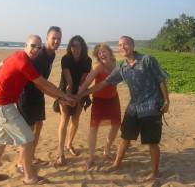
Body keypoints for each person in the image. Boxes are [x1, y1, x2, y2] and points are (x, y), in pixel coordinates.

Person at [78, 36, 170, 182]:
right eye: (120, 45)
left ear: (133, 46)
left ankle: (155, 171)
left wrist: (166, 100)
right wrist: (81, 94)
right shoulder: (122, 67)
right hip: (134, 107)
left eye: (126, 44)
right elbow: (103, 84)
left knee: (152, 141)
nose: (123, 47)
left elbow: (160, 78)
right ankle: (116, 163)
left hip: (152, 106)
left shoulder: (147, 59)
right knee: (125, 137)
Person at [0, 35, 75, 185]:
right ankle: (29, 176)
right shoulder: (23, 61)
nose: (35, 49)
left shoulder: (16, 55)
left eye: (38, 47)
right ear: (25, 45)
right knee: (27, 139)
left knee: (1, 140)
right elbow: (44, 84)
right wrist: (64, 95)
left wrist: (60, 98)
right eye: (33, 46)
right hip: (3, 105)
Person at [16, 26, 62, 170]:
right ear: (47, 38)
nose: (56, 41)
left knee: (39, 125)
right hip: (26, 94)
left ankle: (31, 156)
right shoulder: (40, 56)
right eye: (53, 38)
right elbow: (41, 84)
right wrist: (59, 96)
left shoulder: (51, 55)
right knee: (28, 130)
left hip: (38, 95)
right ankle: (20, 162)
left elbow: (43, 84)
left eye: (59, 39)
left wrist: (58, 96)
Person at [78, 43, 121, 170]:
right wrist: (78, 94)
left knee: (116, 125)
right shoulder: (98, 66)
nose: (102, 54)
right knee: (93, 128)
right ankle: (91, 157)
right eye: (99, 53)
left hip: (113, 99)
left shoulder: (114, 61)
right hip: (99, 101)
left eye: (104, 51)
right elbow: (87, 82)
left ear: (109, 52)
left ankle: (106, 150)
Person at [56, 35, 92, 166]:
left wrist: (77, 97)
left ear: (82, 47)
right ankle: (61, 153)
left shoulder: (87, 60)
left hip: (80, 91)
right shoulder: (66, 59)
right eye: (73, 45)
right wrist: (68, 97)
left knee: (75, 119)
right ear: (70, 47)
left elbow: (83, 81)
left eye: (78, 46)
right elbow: (69, 81)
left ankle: (69, 144)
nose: (75, 48)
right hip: (65, 90)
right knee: (64, 119)